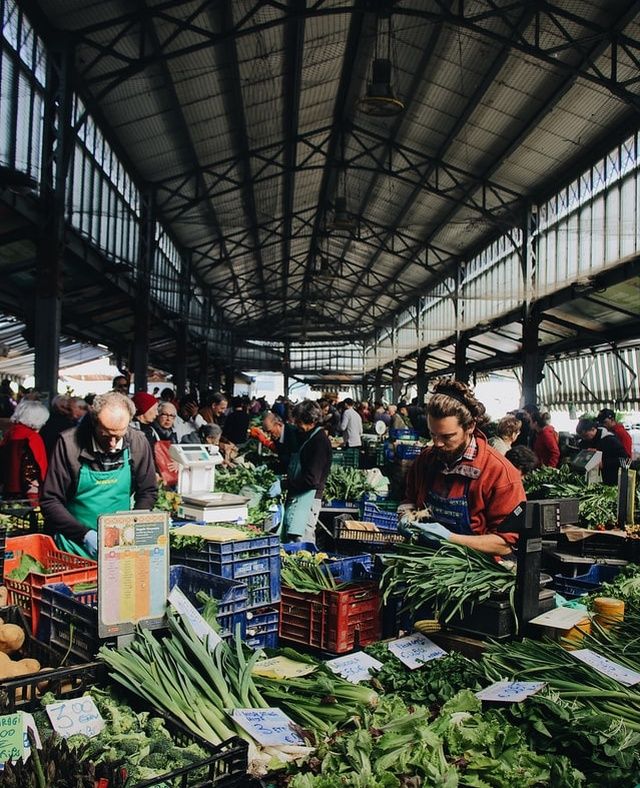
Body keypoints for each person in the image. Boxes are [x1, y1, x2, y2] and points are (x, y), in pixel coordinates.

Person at [399, 379, 524, 556]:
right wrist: (405, 516)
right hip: (428, 560)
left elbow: (506, 543)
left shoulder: (499, 472)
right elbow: (409, 498)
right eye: (433, 434)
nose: (438, 443)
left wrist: (450, 538)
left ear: (470, 426)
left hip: (475, 572)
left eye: (447, 436)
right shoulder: (426, 460)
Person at [40, 391, 157, 558]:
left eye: (119, 436)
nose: (112, 444)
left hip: (120, 545)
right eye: (106, 435)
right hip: (73, 546)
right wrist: (84, 535)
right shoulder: (68, 444)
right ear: (95, 422)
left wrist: (132, 528)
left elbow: (148, 491)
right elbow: (50, 500)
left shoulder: (138, 442)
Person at [282, 400, 332, 544]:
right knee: (295, 540)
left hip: (309, 498)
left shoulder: (319, 442)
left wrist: (284, 484)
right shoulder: (310, 437)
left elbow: (311, 480)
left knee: (303, 542)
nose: (297, 425)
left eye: (298, 422)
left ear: (310, 420)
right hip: (301, 496)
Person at [0, 399, 49, 504]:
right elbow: (32, 471)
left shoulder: (10, 433)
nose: (44, 423)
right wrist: (34, 499)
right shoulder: (32, 437)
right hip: (27, 495)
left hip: (8, 491)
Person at [576, 417, 628, 486]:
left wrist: (604, 463)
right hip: (594, 481)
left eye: (586, 436)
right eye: (582, 437)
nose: (584, 439)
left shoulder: (610, 440)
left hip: (612, 481)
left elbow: (626, 461)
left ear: (593, 429)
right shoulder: (585, 442)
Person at [141, 401, 180, 488]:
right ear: (157, 415)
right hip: (155, 478)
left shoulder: (173, 435)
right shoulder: (149, 432)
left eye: (172, 416)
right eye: (165, 415)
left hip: (172, 479)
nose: (168, 419)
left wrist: (178, 463)